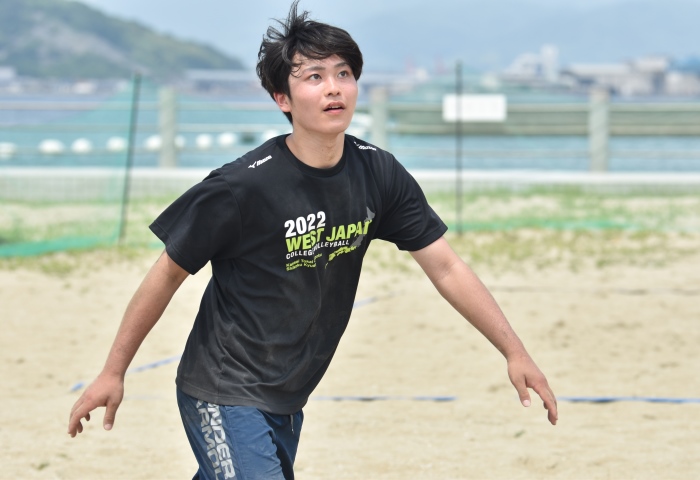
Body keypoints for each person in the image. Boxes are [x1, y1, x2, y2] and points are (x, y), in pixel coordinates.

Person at [67, 2, 558, 478]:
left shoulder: (378, 172)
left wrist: (514, 351)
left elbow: (446, 267)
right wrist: (114, 371)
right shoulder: (242, 187)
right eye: (314, 77)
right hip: (223, 385)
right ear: (282, 98)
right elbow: (167, 273)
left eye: (343, 73)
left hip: (288, 393)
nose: (334, 88)